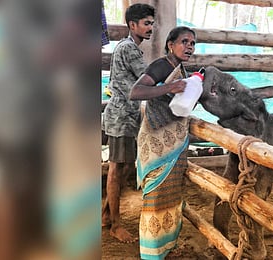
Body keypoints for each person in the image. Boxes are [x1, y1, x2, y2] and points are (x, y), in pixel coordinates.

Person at [129, 26, 197, 259]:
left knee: (171, 197)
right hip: (157, 145)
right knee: (155, 199)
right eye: (184, 42)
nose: (189, 47)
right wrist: (170, 87)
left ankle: (165, 247)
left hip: (174, 146)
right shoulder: (160, 66)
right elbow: (135, 92)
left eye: (192, 43)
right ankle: (151, 253)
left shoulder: (183, 71)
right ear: (170, 44)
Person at [102, 3, 155, 243]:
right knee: (115, 170)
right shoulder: (130, 50)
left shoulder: (128, 47)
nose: (150, 28)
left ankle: (106, 215)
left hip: (125, 116)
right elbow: (149, 80)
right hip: (122, 117)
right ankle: (115, 225)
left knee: (122, 167)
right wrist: (174, 86)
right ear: (132, 25)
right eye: (146, 23)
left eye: (152, 23)